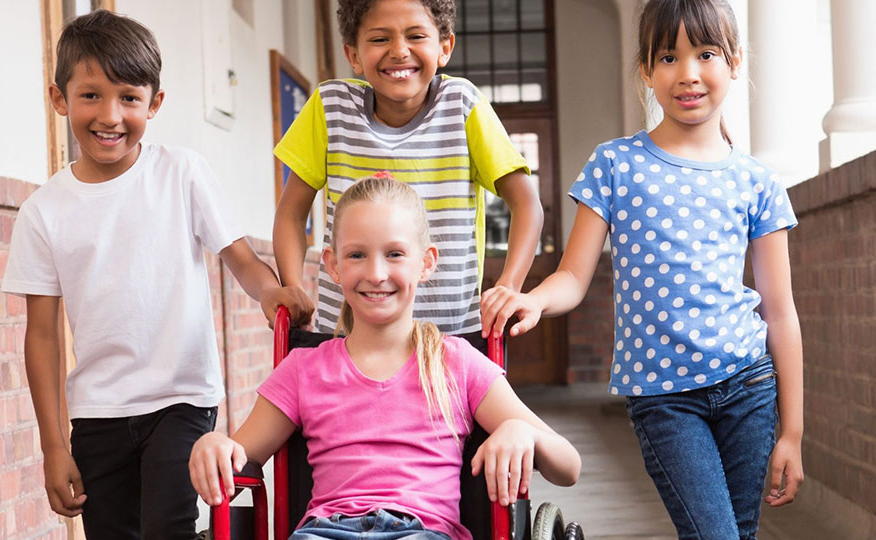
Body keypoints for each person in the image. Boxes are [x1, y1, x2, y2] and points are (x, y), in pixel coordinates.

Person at [480, 0, 804, 538]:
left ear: (735, 62)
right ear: (647, 71)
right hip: (664, 399)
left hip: (750, 387)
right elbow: (573, 277)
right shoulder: (615, 164)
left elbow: (781, 312)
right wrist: (533, 298)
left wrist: (792, 432)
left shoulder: (758, 183)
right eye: (669, 57)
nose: (688, 73)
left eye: (706, 54)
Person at [1, 10, 311, 539]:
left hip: (181, 397)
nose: (110, 115)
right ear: (59, 98)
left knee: (169, 526)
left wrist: (271, 291)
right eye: (91, 95)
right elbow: (44, 337)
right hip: (97, 410)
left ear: (155, 103)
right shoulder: (42, 212)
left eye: (128, 97)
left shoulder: (181, 172)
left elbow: (239, 258)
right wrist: (53, 446)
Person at [190, 176, 580, 540]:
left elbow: (569, 467)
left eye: (394, 254)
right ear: (333, 265)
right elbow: (237, 459)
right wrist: (214, 446)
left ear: (426, 262)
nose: (376, 274)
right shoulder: (303, 370)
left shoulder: (455, 363)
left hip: (420, 531)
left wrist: (522, 432)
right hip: (325, 532)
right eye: (357, 255)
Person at [272, 0, 543, 336]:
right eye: (379, 39)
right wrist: (293, 285)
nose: (399, 51)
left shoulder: (462, 105)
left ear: (445, 48)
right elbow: (292, 213)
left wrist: (509, 285)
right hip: (349, 338)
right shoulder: (330, 107)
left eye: (415, 36)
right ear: (353, 55)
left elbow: (526, 203)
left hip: (448, 337)